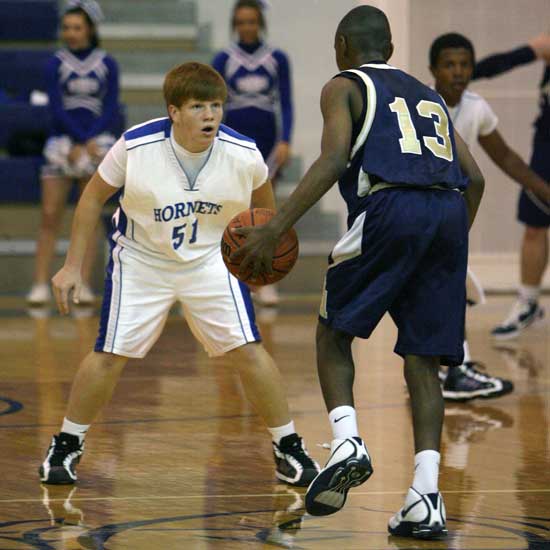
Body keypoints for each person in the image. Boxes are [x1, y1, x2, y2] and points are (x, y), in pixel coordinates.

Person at [232, 5, 484, 540]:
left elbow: (331, 159)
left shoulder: (343, 85)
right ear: (390, 49)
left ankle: (347, 440)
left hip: (390, 207)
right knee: (423, 362)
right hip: (447, 214)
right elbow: (476, 178)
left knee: (332, 333)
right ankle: (427, 496)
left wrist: (276, 227)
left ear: (343, 44)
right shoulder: (430, 93)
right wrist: (451, 247)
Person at [38, 62, 319, 488]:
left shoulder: (244, 154)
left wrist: (262, 254)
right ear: (174, 111)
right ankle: (66, 444)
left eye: (216, 106)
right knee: (110, 353)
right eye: (198, 106)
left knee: (247, 347)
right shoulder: (135, 146)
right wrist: (73, 266)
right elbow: (92, 198)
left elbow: (265, 212)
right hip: (142, 258)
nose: (210, 115)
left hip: (209, 258)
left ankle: (288, 446)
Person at [429, 33, 550, 400]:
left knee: (448, 290)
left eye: (465, 64)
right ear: (433, 69)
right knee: (449, 289)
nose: (459, 72)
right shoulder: (419, 103)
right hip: (415, 208)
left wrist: (544, 191)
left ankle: (443, 370)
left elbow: (509, 158)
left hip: (449, 212)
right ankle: (453, 369)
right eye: (449, 64)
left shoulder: (476, 108)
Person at [26, 0, 120, 306]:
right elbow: (54, 106)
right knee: (50, 216)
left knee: (88, 217)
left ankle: (82, 284)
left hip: (95, 143)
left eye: (77, 28)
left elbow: (111, 107)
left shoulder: (107, 63)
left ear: (90, 29)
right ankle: (40, 284)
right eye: (66, 28)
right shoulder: (55, 63)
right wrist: (77, 141)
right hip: (62, 144)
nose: (71, 33)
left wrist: (90, 140)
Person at [211, 0, 294, 306]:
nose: (247, 27)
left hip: (268, 139)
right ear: (235, 24)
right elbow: (214, 103)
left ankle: (264, 278)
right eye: (242, 22)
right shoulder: (223, 58)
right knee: (235, 209)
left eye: (252, 22)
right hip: (233, 138)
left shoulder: (277, 58)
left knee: (264, 213)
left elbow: (286, 102)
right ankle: (235, 278)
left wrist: (286, 139)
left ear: (260, 23)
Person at [469, 35, 550, 338]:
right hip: (547, 146)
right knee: (534, 224)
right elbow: (504, 62)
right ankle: (528, 302)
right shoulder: (547, 44)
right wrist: (465, 73)